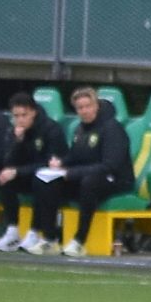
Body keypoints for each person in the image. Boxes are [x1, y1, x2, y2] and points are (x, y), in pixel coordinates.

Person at [29, 86, 133, 258]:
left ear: (96, 105)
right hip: (87, 176)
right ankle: (50, 238)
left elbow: (110, 166)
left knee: (89, 182)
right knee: (44, 180)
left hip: (116, 181)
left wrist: (72, 173)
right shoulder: (80, 129)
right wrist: (61, 163)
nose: (84, 111)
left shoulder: (112, 128)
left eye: (88, 106)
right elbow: (77, 156)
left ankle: (79, 241)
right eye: (80, 108)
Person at [0, 92, 69, 254]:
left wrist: (18, 171)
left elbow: (49, 164)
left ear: (33, 112)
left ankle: (34, 231)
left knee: (40, 179)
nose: (20, 119)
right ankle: (12, 230)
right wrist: (17, 142)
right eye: (16, 116)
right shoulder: (15, 131)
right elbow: (8, 162)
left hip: (54, 180)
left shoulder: (51, 129)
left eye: (24, 115)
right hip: (27, 174)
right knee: (5, 176)